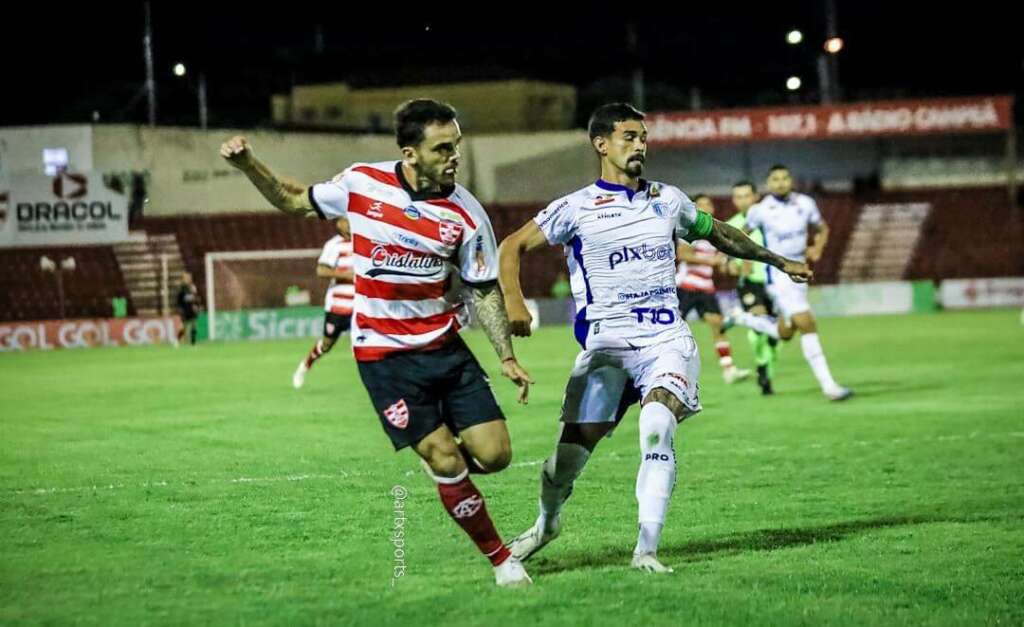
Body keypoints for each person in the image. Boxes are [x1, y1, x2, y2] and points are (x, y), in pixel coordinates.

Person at [221, 99, 534, 587]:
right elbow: (291, 198)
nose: (455, 156)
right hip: (384, 356)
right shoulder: (361, 184)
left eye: (457, 145)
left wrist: (507, 357)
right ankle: (500, 558)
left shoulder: (467, 213)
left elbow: (480, 287)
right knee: (444, 456)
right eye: (442, 148)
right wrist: (247, 166)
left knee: (495, 455)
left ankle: (447, 474)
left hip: (444, 347)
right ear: (410, 153)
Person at [497, 103, 811, 573]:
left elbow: (721, 234)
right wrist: (514, 302)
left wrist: (778, 260)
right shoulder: (576, 207)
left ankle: (646, 549)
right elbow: (512, 245)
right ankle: (547, 523)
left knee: (658, 425)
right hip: (606, 348)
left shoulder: (668, 199)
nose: (640, 145)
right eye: (629, 136)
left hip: (665, 340)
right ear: (601, 144)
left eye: (643, 137)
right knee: (563, 465)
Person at [724, 165, 852, 401]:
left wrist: (818, 247)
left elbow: (822, 228)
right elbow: (739, 236)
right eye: (775, 179)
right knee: (807, 323)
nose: (781, 182)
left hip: (801, 274)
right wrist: (732, 258)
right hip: (779, 277)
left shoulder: (805, 203)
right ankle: (829, 386)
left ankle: (742, 318)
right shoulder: (760, 210)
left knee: (785, 332)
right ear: (768, 184)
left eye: (785, 178)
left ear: (791, 181)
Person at [676, 194, 751, 384]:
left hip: (706, 288)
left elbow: (721, 262)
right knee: (671, 331)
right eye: (700, 205)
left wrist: (732, 267)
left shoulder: (714, 234)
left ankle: (729, 370)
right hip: (685, 287)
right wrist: (712, 260)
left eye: (707, 204)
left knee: (718, 325)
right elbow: (683, 255)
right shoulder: (688, 230)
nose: (704, 207)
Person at [725, 181, 778, 395]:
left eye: (746, 195)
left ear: (756, 197)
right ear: (733, 200)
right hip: (749, 284)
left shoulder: (772, 219)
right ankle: (761, 364)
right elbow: (726, 261)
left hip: (775, 282)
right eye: (738, 196)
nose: (742, 200)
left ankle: (765, 367)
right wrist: (734, 265)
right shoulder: (731, 225)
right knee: (758, 324)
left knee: (777, 334)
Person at [293, 218, 354, 389]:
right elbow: (321, 270)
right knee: (327, 345)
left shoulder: (365, 240)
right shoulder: (334, 245)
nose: (349, 224)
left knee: (363, 344)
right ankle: (305, 365)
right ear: (339, 223)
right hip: (338, 305)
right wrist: (348, 276)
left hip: (362, 305)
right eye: (345, 220)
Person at [176, 272, 199, 346]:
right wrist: (180, 309)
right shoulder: (181, 289)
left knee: (194, 325)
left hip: (192, 309)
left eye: (189, 278)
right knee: (184, 327)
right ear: (183, 279)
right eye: (186, 278)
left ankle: (193, 343)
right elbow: (178, 301)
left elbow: (195, 298)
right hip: (185, 310)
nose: (188, 279)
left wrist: (196, 306)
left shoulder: (193, 287)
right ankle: (177, 341)